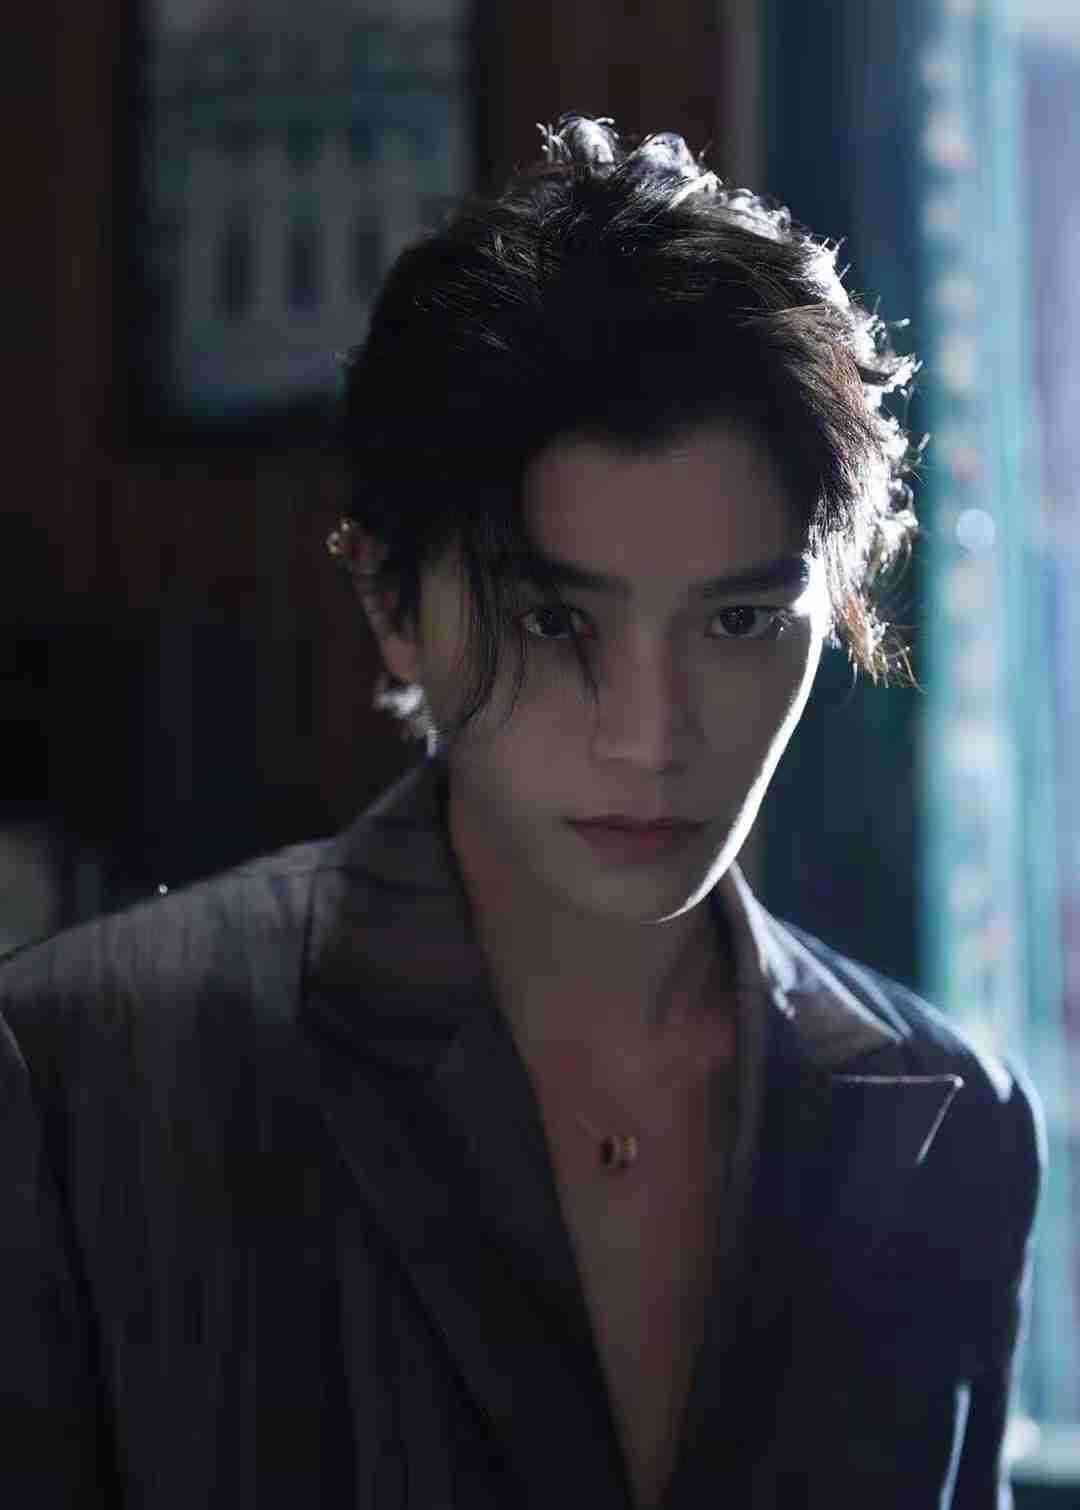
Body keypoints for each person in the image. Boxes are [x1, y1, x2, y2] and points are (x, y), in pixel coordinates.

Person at [0, 114, 1044, 1508]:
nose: (652, 735)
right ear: (392, 603)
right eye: (554, 621)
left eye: (738, 620)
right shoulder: (88, 1077)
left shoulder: (951, 1121)